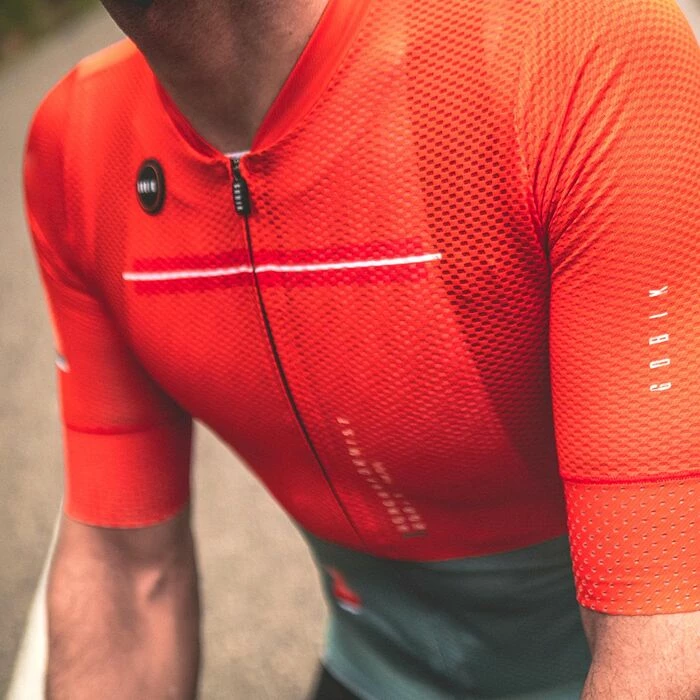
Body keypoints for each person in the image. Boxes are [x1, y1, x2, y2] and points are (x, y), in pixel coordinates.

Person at [22, 0, 700, 698]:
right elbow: (128, 572)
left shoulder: (577, 49)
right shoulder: (80, 143)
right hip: (382, 668)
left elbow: (667, 643)